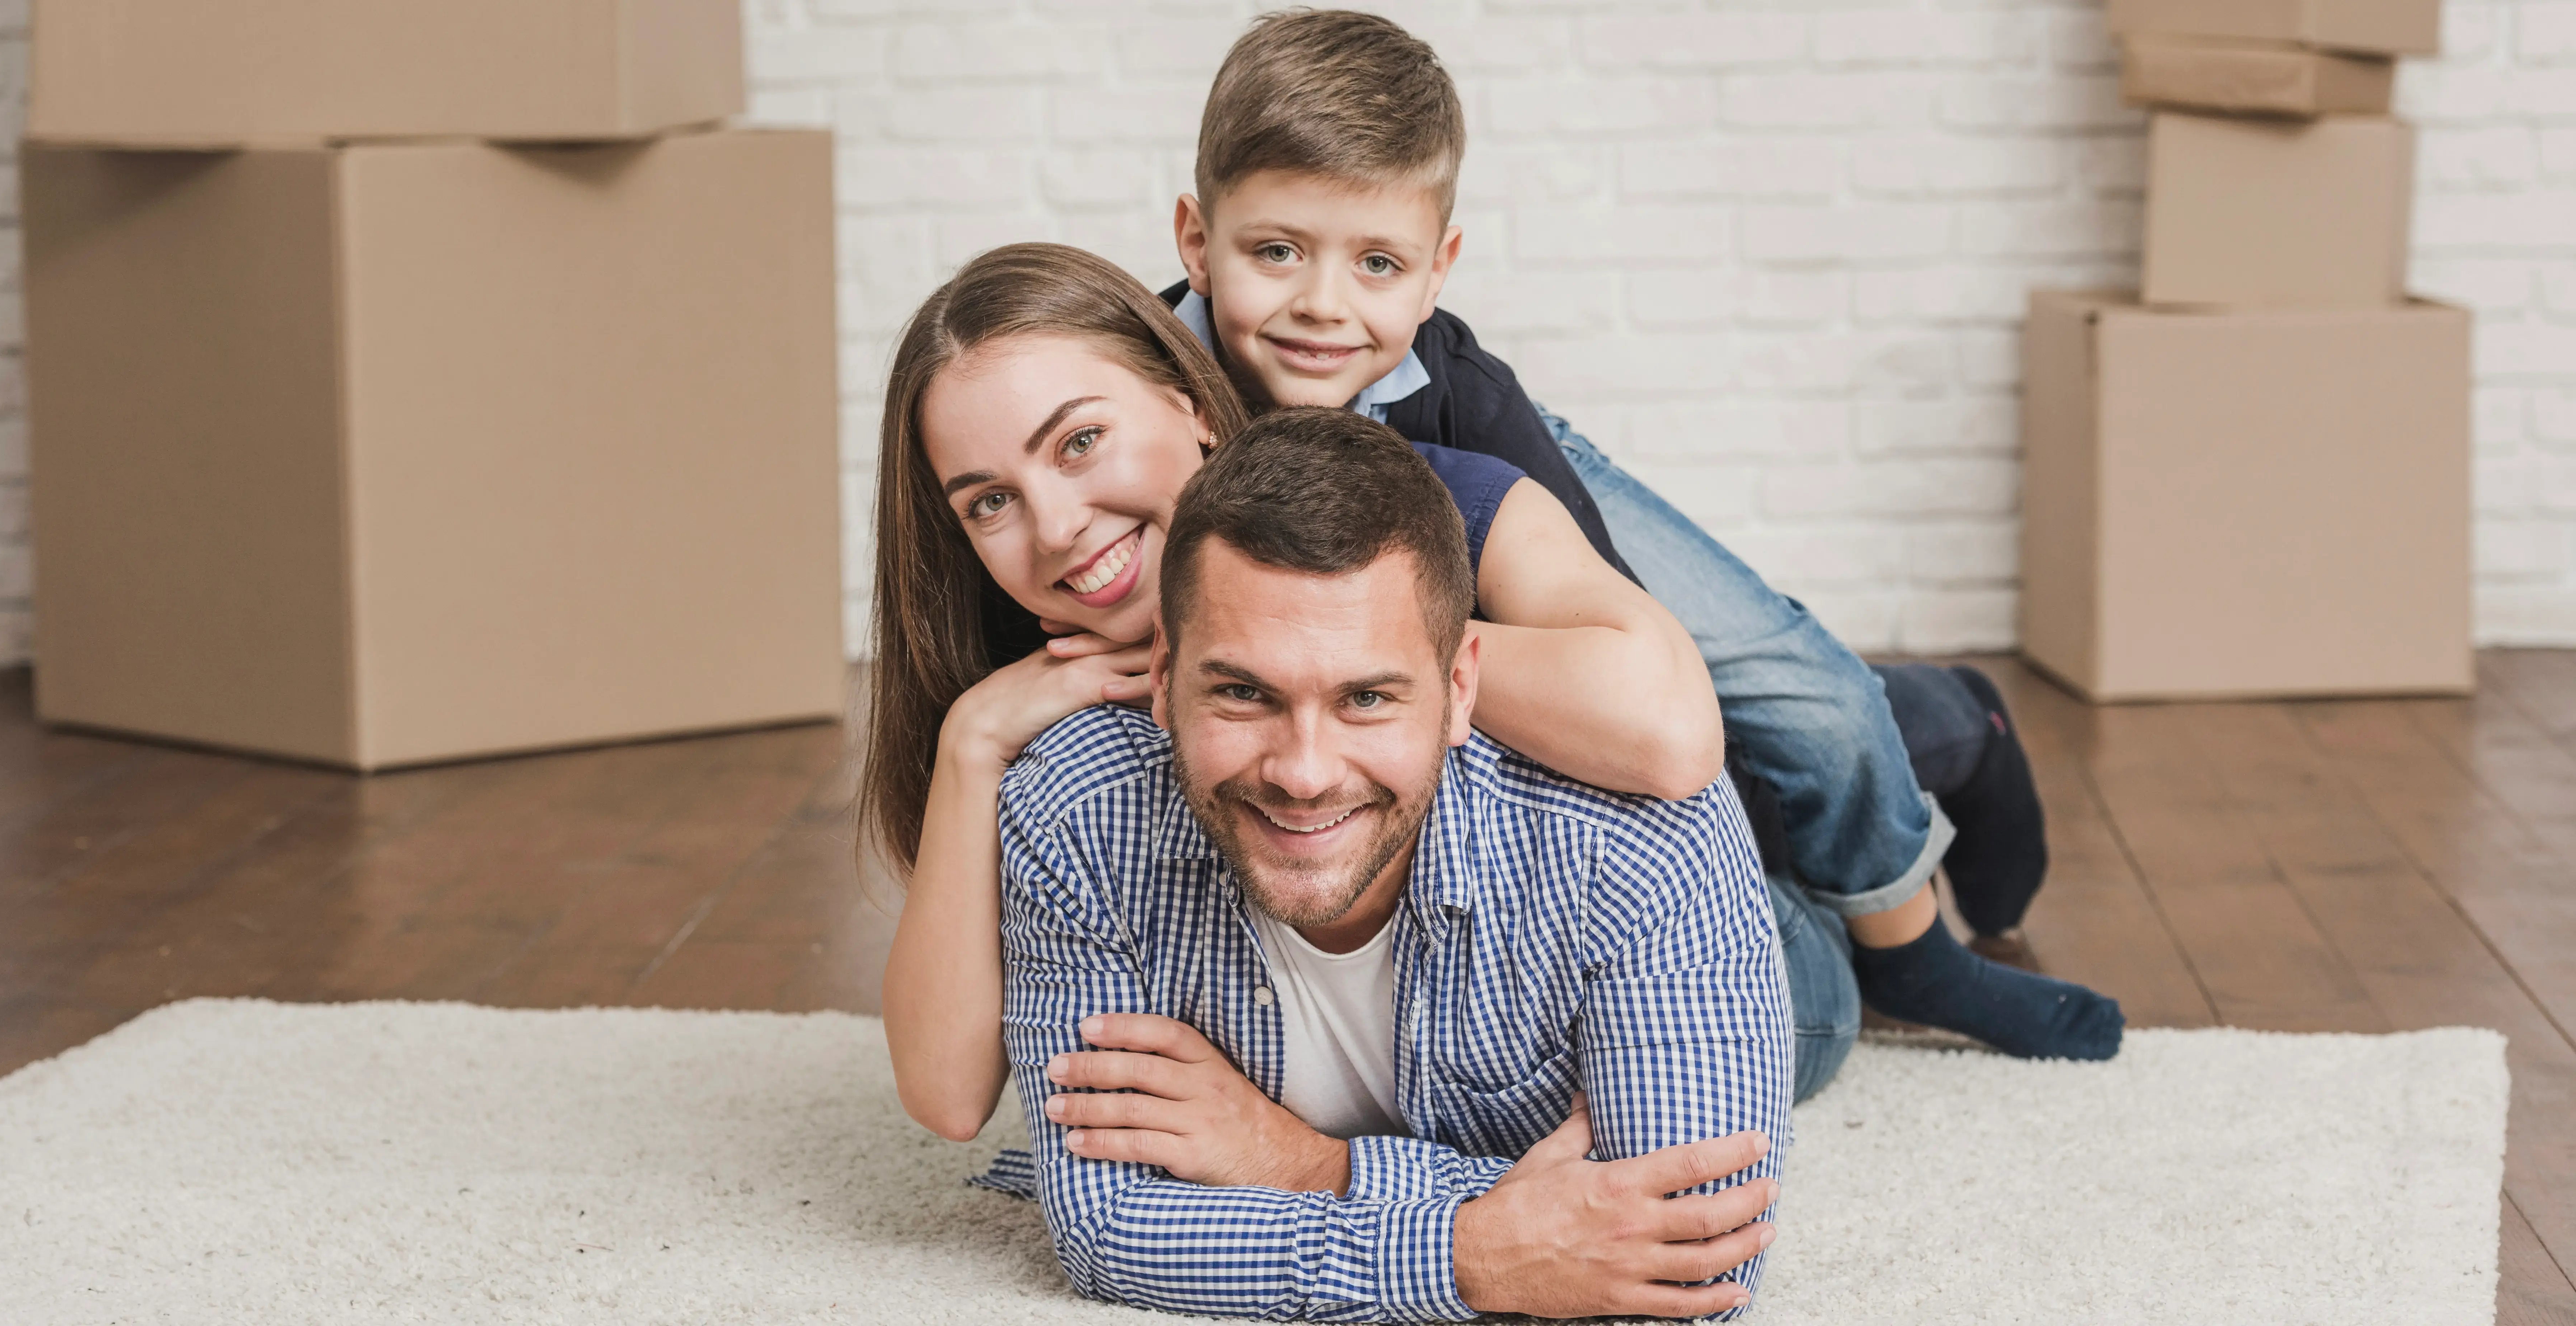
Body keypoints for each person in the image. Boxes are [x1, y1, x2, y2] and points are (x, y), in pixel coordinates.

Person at [1158, 9, 2113, 1055]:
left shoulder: (1468, 408)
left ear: (1439, 270)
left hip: (1530, 542)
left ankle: (1920, 897)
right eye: (1279, 251)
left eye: (1378, 265)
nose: (1322, 307)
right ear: (1199, 244)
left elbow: (1634, 678)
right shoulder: (1136, 401)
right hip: (1422, 683)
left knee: (1812, 712)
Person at [863, 242, 1867, 1146]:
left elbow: (1673, 737)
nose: (1053, 527)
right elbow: (950, 1099)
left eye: (1080, 442)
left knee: (1825, 862)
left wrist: (1343, 648)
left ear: (1193, 408)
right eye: (989, 502)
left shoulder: (1423, 501)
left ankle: (1939, 744)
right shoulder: (1027, 686)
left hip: (1696, 933)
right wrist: (970, 746)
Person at [1003, 405, 1789, 1320]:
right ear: (1165, 679)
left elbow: (1687, 1266)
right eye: (1243, 692)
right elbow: (1105, 1231)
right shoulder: (1074, 811)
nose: (1301, 772)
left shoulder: (1642, 839)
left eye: (1366, 697)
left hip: (1779, 966)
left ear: (1460, 689)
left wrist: (1299, 1162)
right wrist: (1476, 1254)